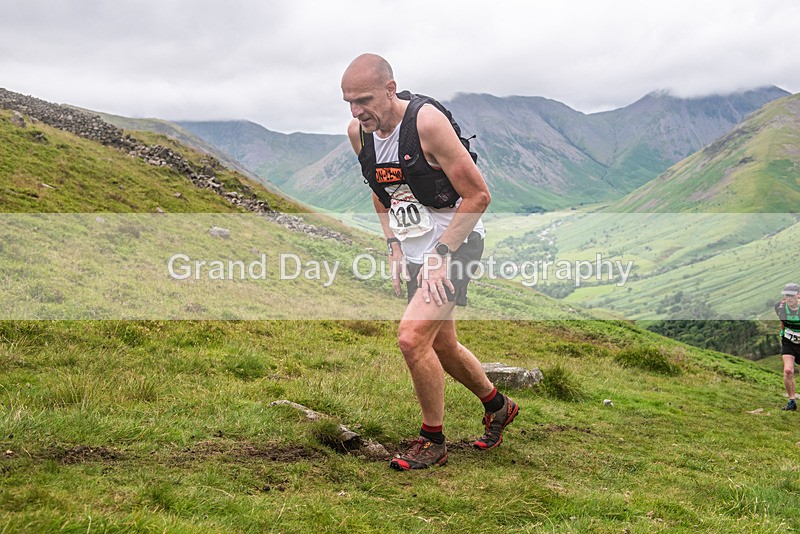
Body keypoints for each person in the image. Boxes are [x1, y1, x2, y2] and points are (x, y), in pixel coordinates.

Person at [341, 53, 518, 470]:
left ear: (390, 88)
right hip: (415, 245)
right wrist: (394, 247)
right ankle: (499, 406)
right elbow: (380, 190)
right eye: (348, 101)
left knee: (411, 338)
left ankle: (432, 440)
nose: (356, 110)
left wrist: (441, 255)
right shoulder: (359, 133)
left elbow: (478, 196)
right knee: (443, 343)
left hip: (456, 240)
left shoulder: (426, 124)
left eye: (364, 99)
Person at [775, 283, 800, 411]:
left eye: (791, 295)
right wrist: (785, 335)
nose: (789, 298)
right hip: (789, 342)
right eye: (786, 295)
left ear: (798, 295)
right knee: (788, 370)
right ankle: (792, 401)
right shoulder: (781, 307)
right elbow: (783, 323)